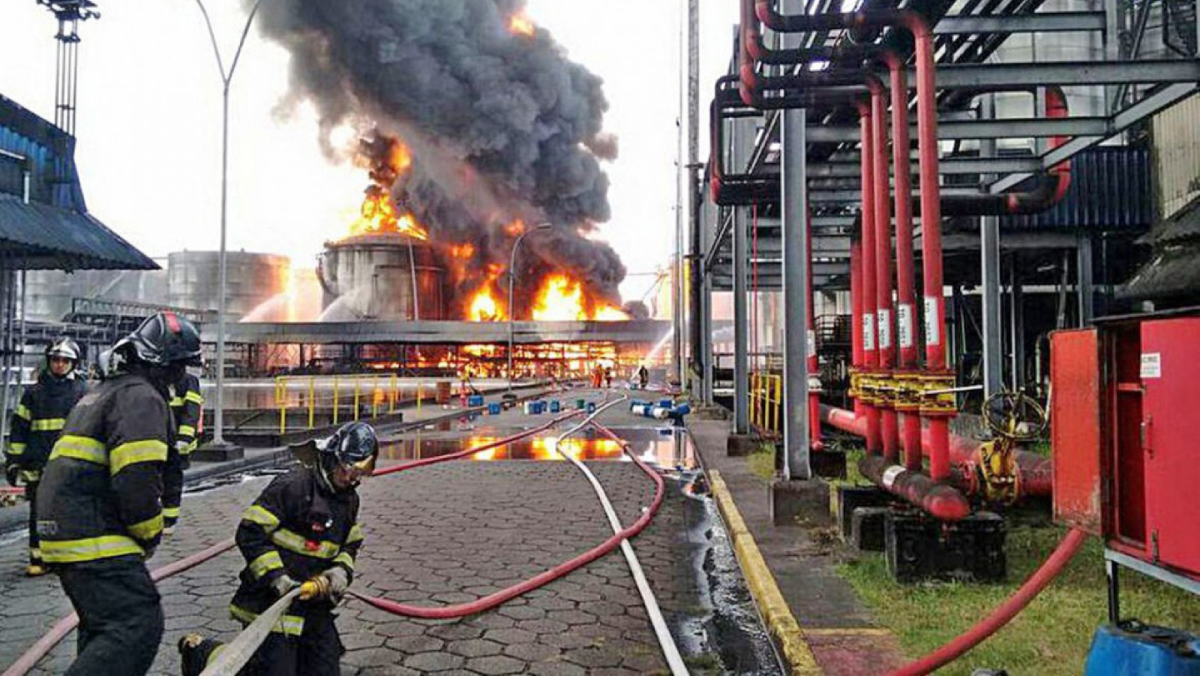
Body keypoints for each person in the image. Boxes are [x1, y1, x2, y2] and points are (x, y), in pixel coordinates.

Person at [37, 312, 202, 675]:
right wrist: (150, 530)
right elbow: (135, 478)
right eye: (178, 367)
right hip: (94, 534)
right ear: (159, 364)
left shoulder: (104, 393)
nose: (180, 377)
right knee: (136, 622)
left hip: (65, 530)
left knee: (103, 627)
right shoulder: (141, 398)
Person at [179, 421, 377, 676]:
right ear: (333, 457)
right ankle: (201, 653)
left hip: (313, 607)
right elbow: (250, 531)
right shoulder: (294, 486)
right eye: (349, 467)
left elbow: (350, 544)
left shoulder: (348, 499)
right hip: (269, 603)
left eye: (361, 471)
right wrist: (278, 578)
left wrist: (339, 572)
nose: (352, 477)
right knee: (264, 671)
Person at [3, 338, 88, 577]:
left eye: (65, 360)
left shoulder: (82, 392)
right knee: (39, 513)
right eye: (55, 360)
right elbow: (19, 430)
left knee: (70, 511)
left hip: (72, 466)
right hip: (38, 466)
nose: (59, 364)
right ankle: (38, 558)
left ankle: (67, 558)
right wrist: (13, 461)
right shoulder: (34, 394)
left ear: (74, 363)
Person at [163, 368, 204, 533]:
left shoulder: (188, 381)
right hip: (157, 439)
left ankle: (169, 519)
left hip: (177, 443)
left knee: (171, 480)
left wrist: (184, 439)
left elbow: (191, 411)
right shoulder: (156, 380)